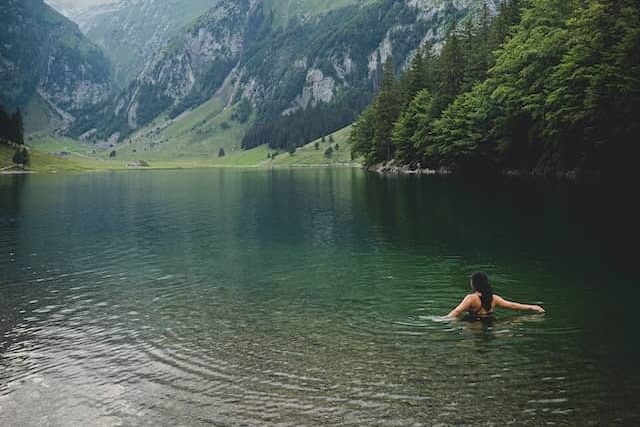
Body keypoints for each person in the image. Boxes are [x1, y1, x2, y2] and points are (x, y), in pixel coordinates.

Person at [447, 271, 545, 318]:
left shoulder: (471, 298)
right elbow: (513, 305)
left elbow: (456, 311)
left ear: (474, 283)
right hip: (490, 323)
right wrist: (532, 307)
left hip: (473, 324)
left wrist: (444, 319)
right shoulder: (493, 298)